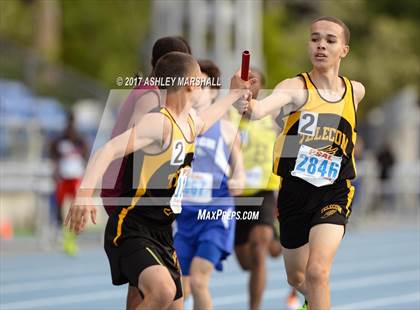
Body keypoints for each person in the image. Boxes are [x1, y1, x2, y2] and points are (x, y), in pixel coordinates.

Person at [65, 52, 251, 310]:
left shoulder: (188, 122)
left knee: (175, 303)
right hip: (133, 226)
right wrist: (84, 195)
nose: (206, 86)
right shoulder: (159, 123)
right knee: (162, 290)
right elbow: (106, 151)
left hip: (163, 233)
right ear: (190, 85)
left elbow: (209, 118)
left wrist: (232, 94)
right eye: (201, 80)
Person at [239, 16, 365, 309]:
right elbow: (258, 111)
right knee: (297, 277)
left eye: (330, 40)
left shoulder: (355, 91)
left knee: (317, 271)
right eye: (315, 38)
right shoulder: (295, 87)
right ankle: (311, 301)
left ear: (344, 49)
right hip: (295, 193)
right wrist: (246, 103)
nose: (321, 45)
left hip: (334, 191)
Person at [100, 36, 193, 307]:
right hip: (127, 194)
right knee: (155, 286)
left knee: (145, 283)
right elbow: (141, 148)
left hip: (130, 191)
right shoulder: (151, 96)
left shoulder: (150, 92)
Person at [173, 59, 245, 310]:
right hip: (186, 217)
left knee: (200, 280)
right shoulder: (180, 128)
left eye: (201, 85)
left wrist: (238, 180)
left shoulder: (225, 129)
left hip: (215, 215)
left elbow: (240, 173)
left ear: (214, 92)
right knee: (178, 286)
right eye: (192, 85)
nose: (195, 91)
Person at [231, 69, 297, 310]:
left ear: (262, 87)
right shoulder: (228, 115)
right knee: (246, 261)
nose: (248, 84)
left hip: (264, 192)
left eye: (253, 80)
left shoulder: (272, 115)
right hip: (236, 196)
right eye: (243, 81)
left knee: (259, 249)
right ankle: (277, 240)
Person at [50, 112, 88, 255]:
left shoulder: (80, 140)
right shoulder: (59, 140)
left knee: (76, 205)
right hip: (63, 177)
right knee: (60, 204)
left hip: (76, 177)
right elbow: (53, 157)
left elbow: (85, 156)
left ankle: (75, 229)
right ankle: (61, 230)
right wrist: (55, 171)